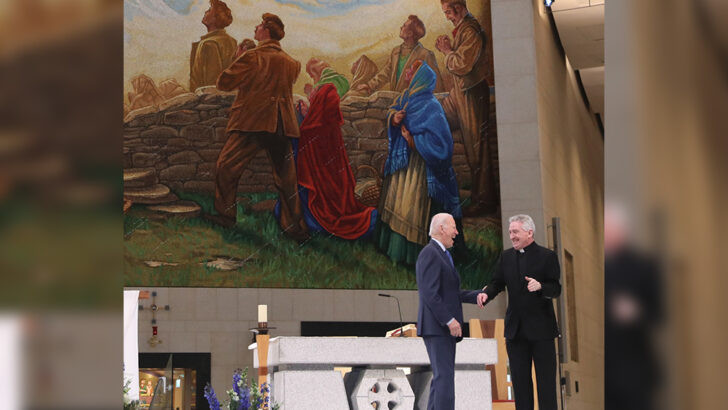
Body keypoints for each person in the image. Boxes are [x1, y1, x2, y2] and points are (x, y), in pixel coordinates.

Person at [209, 13, 309, 243]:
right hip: (282, 124)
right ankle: (295, 228)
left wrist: (238, 59)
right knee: (286, 180)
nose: (255, 27)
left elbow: (223, 82)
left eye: (259, 26)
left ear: (266, 32)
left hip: (252, 122)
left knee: (226, 167)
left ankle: (225, 216)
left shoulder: (252, 56)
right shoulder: (293, 63)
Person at [374, 60, 463, 265]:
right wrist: (394, 119)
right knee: (398, 204)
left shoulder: (432, 106)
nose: (407, 74)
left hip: (420, 170)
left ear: (419, 78)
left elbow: (442, 145)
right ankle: (392, 248)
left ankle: (414, 256)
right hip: (402, 165)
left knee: (412, 208)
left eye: (411, 72)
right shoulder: (405, 97)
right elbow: (392, 111)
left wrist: (413, 140)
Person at [480, 214, 562, 410]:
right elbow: (497, 283)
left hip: (542, 331)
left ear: (529, 232)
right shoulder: (506, 257)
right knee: (520, 384)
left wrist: (541, 286)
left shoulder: (547, 256)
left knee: (546, 385)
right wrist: (486, 295)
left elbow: (556, 288)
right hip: (515, 332)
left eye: (515, 231)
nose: (512, 236)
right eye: (510, 232)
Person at [288, 58, 376, 239]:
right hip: (328, 141)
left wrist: (309, 108)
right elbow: (317, 117)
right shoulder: (328, 86)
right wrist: (308, 111)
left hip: (325, 142)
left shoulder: (328, 87)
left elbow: (319, 120)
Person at [416, 213, 486, 410]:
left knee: (441, 381)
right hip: (437, 327)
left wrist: (477, 295)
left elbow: (450, 293)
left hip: (440, 328)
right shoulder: (430, 253)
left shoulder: (442, 254)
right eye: (453, 227)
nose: (457, 232)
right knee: (444, 380)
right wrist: (449, 320)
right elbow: (429, 293)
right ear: (442, 229)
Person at [437, 0, 497, 215]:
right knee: (436, 121)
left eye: (448, 12)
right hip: (460, 93)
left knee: (476, 147)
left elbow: (462, 65)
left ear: (458, 8)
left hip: (471, 92)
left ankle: (484, 201)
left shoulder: (471, 30)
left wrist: (446, 52)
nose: (447, 16)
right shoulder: (464, 28)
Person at [356, 15, 444, 94]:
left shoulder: (426, 54)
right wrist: (370, 85)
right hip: (397, 102)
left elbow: (436, 84)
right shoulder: (395, 52)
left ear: (410, 33)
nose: (401, 27)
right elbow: (386, 72)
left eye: (404, 26)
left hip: (415, 103)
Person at [189, 0, 237, 92]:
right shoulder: (232, 41)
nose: (205, 12)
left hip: (205, 101)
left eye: (209, 10)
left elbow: (210, 84)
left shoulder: (209, 44)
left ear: (215, 18)